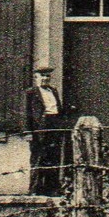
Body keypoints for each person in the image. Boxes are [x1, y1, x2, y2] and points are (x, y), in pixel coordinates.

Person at [25, 66, 70, 195]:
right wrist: (28, 132)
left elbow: (58, 109)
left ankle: (51, 189)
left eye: (47, 76)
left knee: (53, 157)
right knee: (38, 158)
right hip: (39, 129)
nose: (45, 79)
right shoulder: (31, 93)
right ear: (36, 78)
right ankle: (34, 189)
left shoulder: (53, 91)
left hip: (54, 125)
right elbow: (27, 113)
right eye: (42, 76)